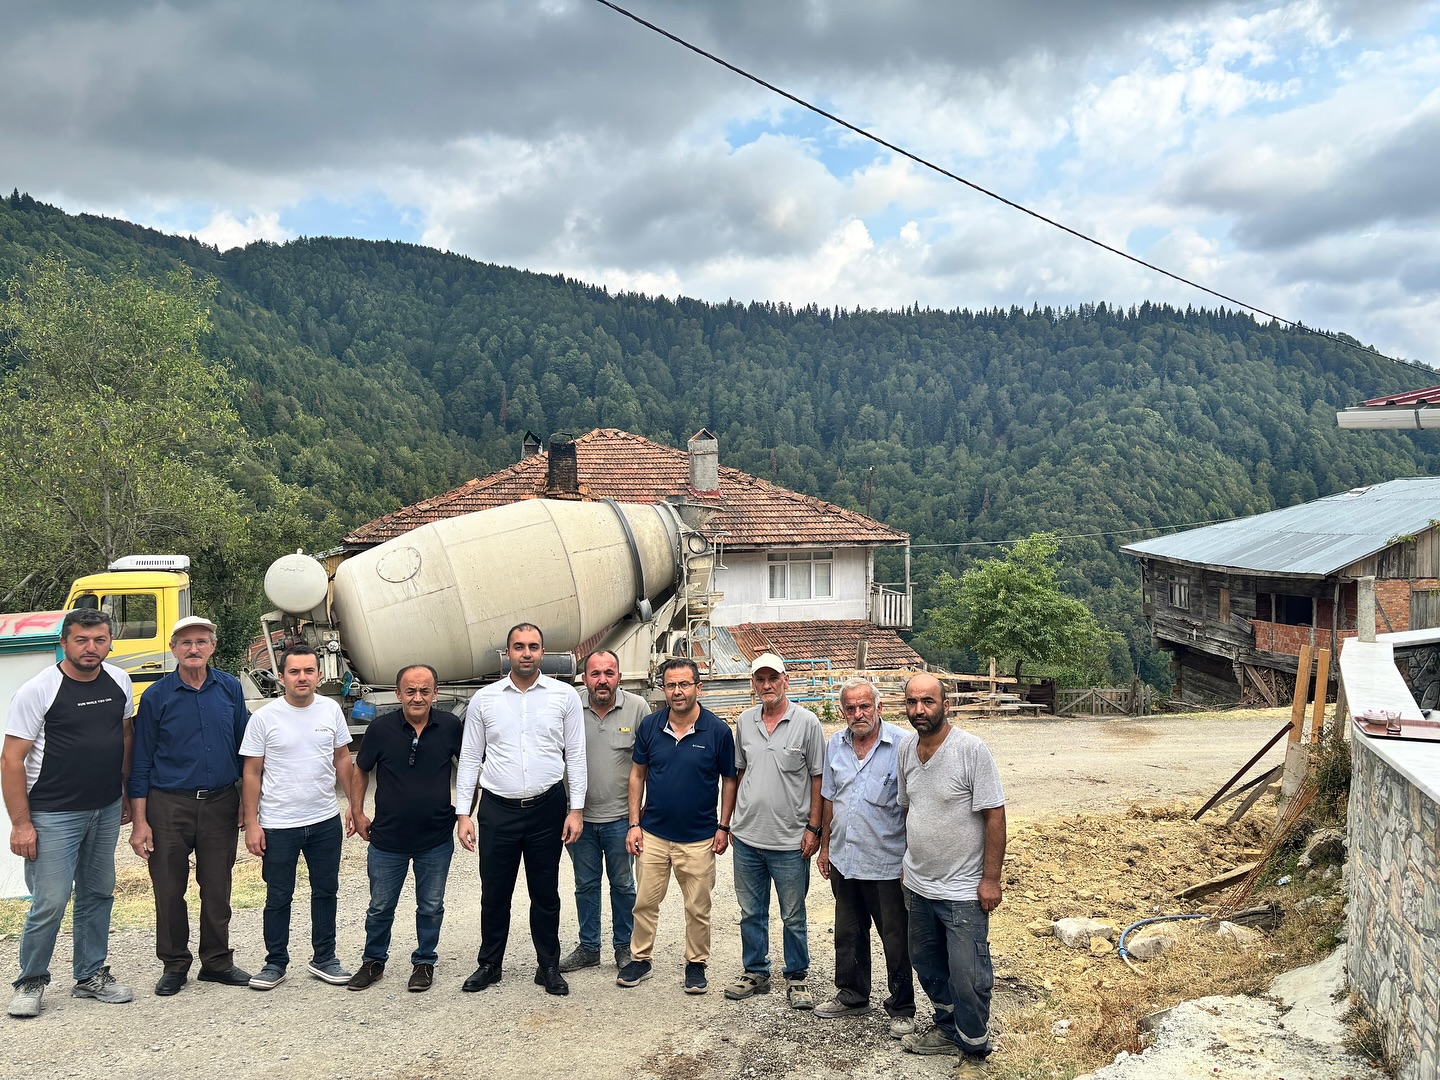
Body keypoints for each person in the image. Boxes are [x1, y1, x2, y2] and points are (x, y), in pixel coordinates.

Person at [3, 609, 136, 1018]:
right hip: (52, 813)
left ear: (109, 643)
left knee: (98, 893)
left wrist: (124, 793)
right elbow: (11, 760)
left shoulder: (119, 680)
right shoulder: (38, 690)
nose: (90, 648)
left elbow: (125, 736)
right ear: (64, 643)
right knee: (50, 900)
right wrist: (21, 824)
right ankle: (31, 980)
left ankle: (90, 975)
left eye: (99, 640)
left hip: (105, 807)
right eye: (81, 640)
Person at [456, 624, 586, 997]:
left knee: (545, 893)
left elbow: (576, 755)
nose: (526, 653)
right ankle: (489, 964)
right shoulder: (485, 700)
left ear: (543, 652)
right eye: (518, 647)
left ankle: (548, 966)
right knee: (494, 893)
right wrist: (463, 814)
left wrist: (576, 809)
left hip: (547, 809)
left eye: (533, 646)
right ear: (507, 653)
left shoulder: (564, 696)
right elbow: (470, 758)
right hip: (498, 810)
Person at [127, 614, 252, 996]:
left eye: (201, 642)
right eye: (185, 642)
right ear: (173, 649)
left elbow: (247, 750)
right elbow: (141, 760)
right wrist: (140, 822)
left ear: (212, 647)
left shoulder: (230, 688)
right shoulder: (156, 696)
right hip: (169, 806)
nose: (193, 648)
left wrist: (247, 803)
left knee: (217, 888)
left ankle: (217, 962)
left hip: (220, 802)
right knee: (168, 889)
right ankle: (175, 964)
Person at [897, 672, 1007, 1066]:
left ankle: (974, 1046)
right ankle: (946, 1027)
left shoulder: (971, 750)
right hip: (918, 885)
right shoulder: (906, 749)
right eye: (912, 702)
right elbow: (910, 809)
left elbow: (995, 816)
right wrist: (907, 864)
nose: (919, 709)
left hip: (962, 890)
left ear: (946, 705)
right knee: (926, 963)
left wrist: (990, 879)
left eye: (928, 701)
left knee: (968, 974)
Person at [240, 643, 356, 991]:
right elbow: (252, 773)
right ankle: (275, 963)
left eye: (308, 671)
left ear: (319, 675)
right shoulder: (264, 718)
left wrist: (355, 805)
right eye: (294, 671)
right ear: (281, 677)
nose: (302, 677)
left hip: (324, 820)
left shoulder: (330, 710)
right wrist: (252, 823)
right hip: (279, 824)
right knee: (278, 895)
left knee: (326, 891)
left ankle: (325, 958)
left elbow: (342, 758)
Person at [617, 658, 736, 995]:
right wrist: (634, 824)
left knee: (698, 907)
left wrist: (723, 826)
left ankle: (696, 963)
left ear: (699, 687)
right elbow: (637, 775)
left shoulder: (717, 731)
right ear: (664, 689)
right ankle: (641, 958)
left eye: (684, 684)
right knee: (644, 902)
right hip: (653, 833)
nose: (677, 691)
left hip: (699, 838)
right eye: (671, 685)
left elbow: (730, 780)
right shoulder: (650, 726)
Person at [346, 664, 462, 993]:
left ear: (435, 693)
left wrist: (466, 813)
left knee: (430, 906)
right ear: (398, 694)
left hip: (436, 838)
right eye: (410, 691)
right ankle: (373, 961)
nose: (417, 697)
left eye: (425, 691)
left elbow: (470, 768)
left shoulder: (451, 726)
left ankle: (424, 962)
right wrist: (357, 811)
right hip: (387, 838)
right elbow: (361, 769)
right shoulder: (380, 729)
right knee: (380, 907)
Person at [814, 678, 916, 1037]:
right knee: (848, 933)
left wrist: (911, 860)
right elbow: (830, 798)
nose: (858, 714)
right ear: (842, 711)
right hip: (845, 859)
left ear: (879, 707)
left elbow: (913, 807)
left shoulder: (903, 745)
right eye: (851, 708)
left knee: (895, 939)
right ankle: (852, 995)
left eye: (864, 706)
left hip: (887, 863)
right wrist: (825, 847)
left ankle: (902, 1007)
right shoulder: (835, 745)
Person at [724, 652, 825, 1010]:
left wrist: (814, 828)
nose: (767, 685)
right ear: (753, 684)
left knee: (793, 914)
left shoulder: (807, 722)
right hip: (747, 837)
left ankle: (796, 975)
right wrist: (729, 822)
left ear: (786, 680)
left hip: (790, 840)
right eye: (760, 679)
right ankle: (755, 971)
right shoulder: (745, 722)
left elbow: (818, 778)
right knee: (751, 912)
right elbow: (738, 773)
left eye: (773, 678)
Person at [558, 649, 645, 974]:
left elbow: (648, 763)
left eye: (609, 673)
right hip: (578, 819)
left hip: (621, 819)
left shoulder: (638, 708)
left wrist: (639, 817)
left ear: (619, 676)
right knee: (585, 885)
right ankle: (589, 947)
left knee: (623, 885)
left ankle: (624, 947)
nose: (602, 680)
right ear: (584, 678)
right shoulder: (569, 706)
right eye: (595, 673)